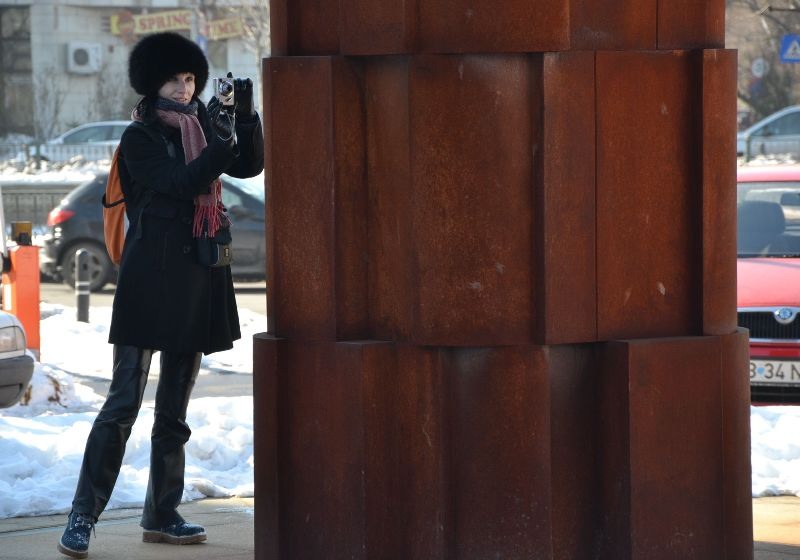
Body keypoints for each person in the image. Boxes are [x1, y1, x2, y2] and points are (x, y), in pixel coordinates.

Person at [57, 31, 264, 559]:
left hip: (196, 278)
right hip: (149, 282)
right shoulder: (139, 137)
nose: (184, 87)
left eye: (190, 79)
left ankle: (162, 512)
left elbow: (249, 166)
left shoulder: (204, 126)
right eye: (174, 79)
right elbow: (179, 181)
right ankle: (82, 515)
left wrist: (244, 118)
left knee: (174, 410)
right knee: (123, 403)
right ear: (153, 84)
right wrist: (219, 146)